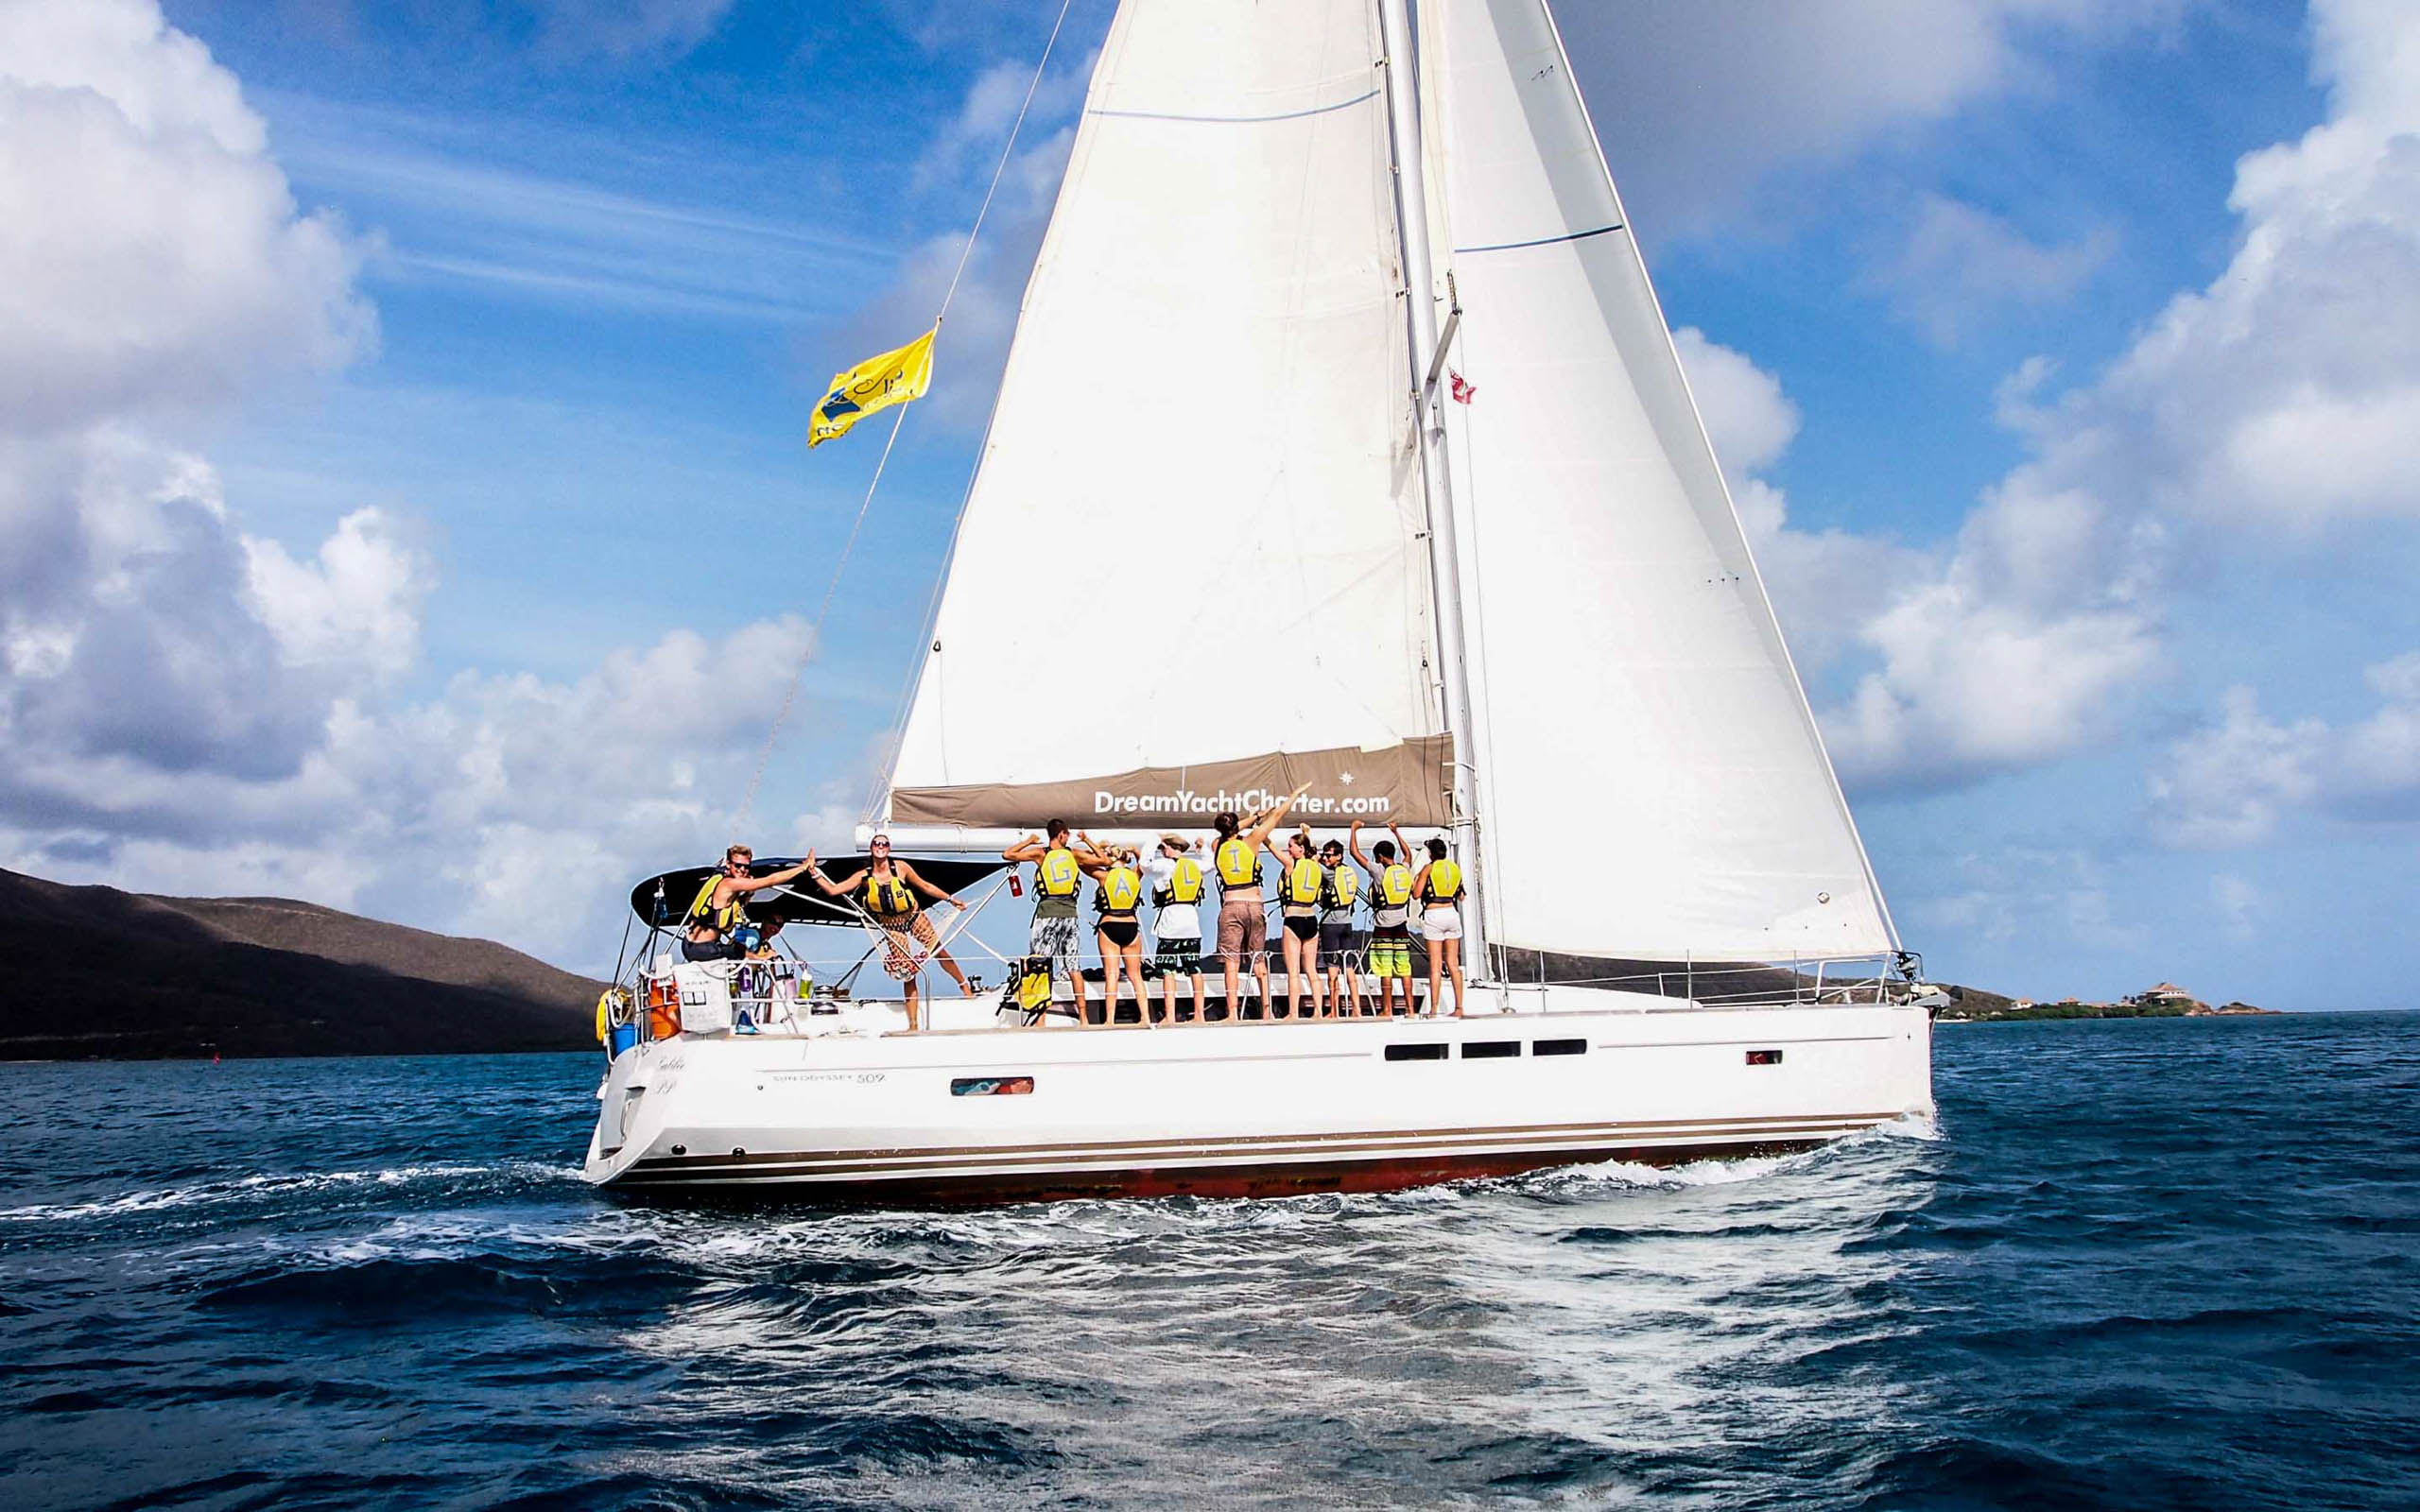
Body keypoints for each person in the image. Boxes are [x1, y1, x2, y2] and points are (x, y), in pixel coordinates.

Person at [804, 836, 971, 1033]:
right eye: (877, 844)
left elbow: (925, 886)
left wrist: (951, 899)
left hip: (913, 917)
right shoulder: (864, 877)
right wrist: (813, 872)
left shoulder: (900, 868)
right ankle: (913, 1024)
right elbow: (834, 890)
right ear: (871, 848)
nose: (880, 847)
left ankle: (964, 986)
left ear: (889, 848)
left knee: (939, 951)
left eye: (884, 844)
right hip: (892, 926)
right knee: (908, 972)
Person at [1211, 785, 1306, 1019]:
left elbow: (1228, 831)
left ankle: (1233, 1013)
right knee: (1258, 958)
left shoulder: (1217, 845)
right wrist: (1292, 796)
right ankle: (1266, 1011)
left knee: (1231, 963)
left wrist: (1252, 817)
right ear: (1236, 827)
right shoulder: (1251, 841)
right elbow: (1277, 815)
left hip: (1231, 904)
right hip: (1254, 904)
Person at [1002, 819, 1105, 1024]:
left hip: (1046, 915)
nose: (1069, 838)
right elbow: (1104, 860)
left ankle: (1040, 1019)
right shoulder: (1074, 854)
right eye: (1068, 835)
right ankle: (1083, 1018)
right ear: (1062, 835)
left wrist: (1029, 841)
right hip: (1069, 916)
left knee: (1041, 965)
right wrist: (1088, 841)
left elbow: (1008, 854)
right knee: (1073, 967)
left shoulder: (1040, 853)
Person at [682, 844, 811, 962]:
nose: (742, 870)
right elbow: (771, 880)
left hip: (691, 943)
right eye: (737, 865)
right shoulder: (730, 884)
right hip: (702, 948)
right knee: (738, 952)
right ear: (728, 864)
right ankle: (763, 958)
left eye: (746, 867)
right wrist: (802, 868)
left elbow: (737, 906)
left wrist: (749, 893)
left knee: (735, 949)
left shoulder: (725, 883)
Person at [1350, 821, 1416, 1018]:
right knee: (1404, 967)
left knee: (1384, 967)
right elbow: (1408, 854)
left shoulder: (1378, 871)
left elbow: (1354, 853)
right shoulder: (1404, 868)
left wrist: (1353, 830)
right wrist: (1396, 832)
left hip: (1384, 926)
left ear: (1379, 856)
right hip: (1402, 925)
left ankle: (1387, 1009)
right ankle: (1410, 1009)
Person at [1146, 833, 1208, 1025]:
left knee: (1167, 970)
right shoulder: (1194, 865)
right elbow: (1211, 863)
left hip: (1171, 923)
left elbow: (1144, 864)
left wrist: (1155, 839)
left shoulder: (1166, 866)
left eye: (1163, 849)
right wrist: (1202, 848)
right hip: (1192, 922)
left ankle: (1170, 1016)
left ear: (1170, 848)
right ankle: (1200, 1014)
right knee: (1194, 968)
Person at [1094, 844, 1150, 1027]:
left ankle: (1109, 1020)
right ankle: (1145, 1017)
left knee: (1112, 974)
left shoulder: (1104, 876)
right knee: (1136, 975)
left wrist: (1098, 851)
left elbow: (1082, 863)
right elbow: (1146, 864)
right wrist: (1135, 851)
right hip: (1130, 924)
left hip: (1110, 922)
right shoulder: (1134, 875)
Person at [1412, 833, 1468, 1018]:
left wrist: (1416, 880)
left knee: (1436, 965)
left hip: (1434, 913)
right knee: (1454, 964)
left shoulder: (1429, 868)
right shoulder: (1454, 868)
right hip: (1452, 913)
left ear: (1430, 853)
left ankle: (1434, 1009)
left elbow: (1417, 894)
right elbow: (1461, 895)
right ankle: (1459, 1008)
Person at [1274, 829, 1328, 1019]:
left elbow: (1270, 846)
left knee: (1294, 971)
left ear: (1301, 848)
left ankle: (1294, 1013)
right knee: (1312, 969)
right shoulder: (1315, 863)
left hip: (1293, 917)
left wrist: (1260, 831)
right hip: (1311, 918)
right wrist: (1306, 833)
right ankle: (1319, 1012)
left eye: (1290, 846)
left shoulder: (1291, 865)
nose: (1288, 850)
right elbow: (1312, 852)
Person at [1318, 838, 1363, 1016]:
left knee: (1332, 969)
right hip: (1347, 923)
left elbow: (1316, 867)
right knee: (1349, 967)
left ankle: (1334, 1011)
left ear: (1339, 856)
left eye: (1329, 855)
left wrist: (1315, 858)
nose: (1325, 858)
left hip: (1331, 925)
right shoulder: (1349, 872)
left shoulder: (1330, 874)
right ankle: (1357, 1009)